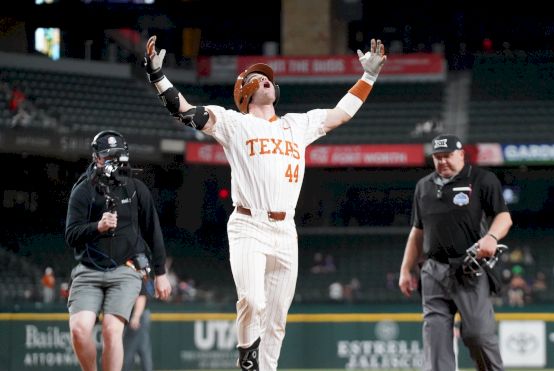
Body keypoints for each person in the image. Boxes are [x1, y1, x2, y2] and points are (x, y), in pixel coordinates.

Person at [143, 35, 386, 371]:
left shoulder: (296, 125)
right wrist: (157, 75)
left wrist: (368, 76)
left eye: (267, 77)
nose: (265, 78)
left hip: (286, 229)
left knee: (276, 320)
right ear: (244, 92)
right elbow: (184, 111)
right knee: (252, 300)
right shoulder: (234, 122)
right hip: (249, 223)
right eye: (256, 77)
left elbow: (339, 114)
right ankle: (247, 356)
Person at [398, 134, 513, 371]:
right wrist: (405, 269)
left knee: (478, 335)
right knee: (436, 345)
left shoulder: (481, 179)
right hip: (433, 272)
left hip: (469, 269)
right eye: (437, 158)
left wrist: (491, 236)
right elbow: (417, 232)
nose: (442, 162)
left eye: (447, 156)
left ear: (461, 154)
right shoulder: (424, 186)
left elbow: (504, 217)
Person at [65, 130, 172, 371]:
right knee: (79, 330)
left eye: (119, 155)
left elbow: (152, 230)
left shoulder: (135, 189)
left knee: (112, 331)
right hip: (88, 270)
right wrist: (97, 227)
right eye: (108, 155)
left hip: (126, 269)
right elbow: (71, 235)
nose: (114, 160)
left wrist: (161, 273)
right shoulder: (83, 189)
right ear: (96, 158)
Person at [123, 282, 153, 371]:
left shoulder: (134, 272)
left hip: (138, 314)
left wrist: (136, 317)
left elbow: (141, 296)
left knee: (129, 349)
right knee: (143, 347)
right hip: (139, 314)